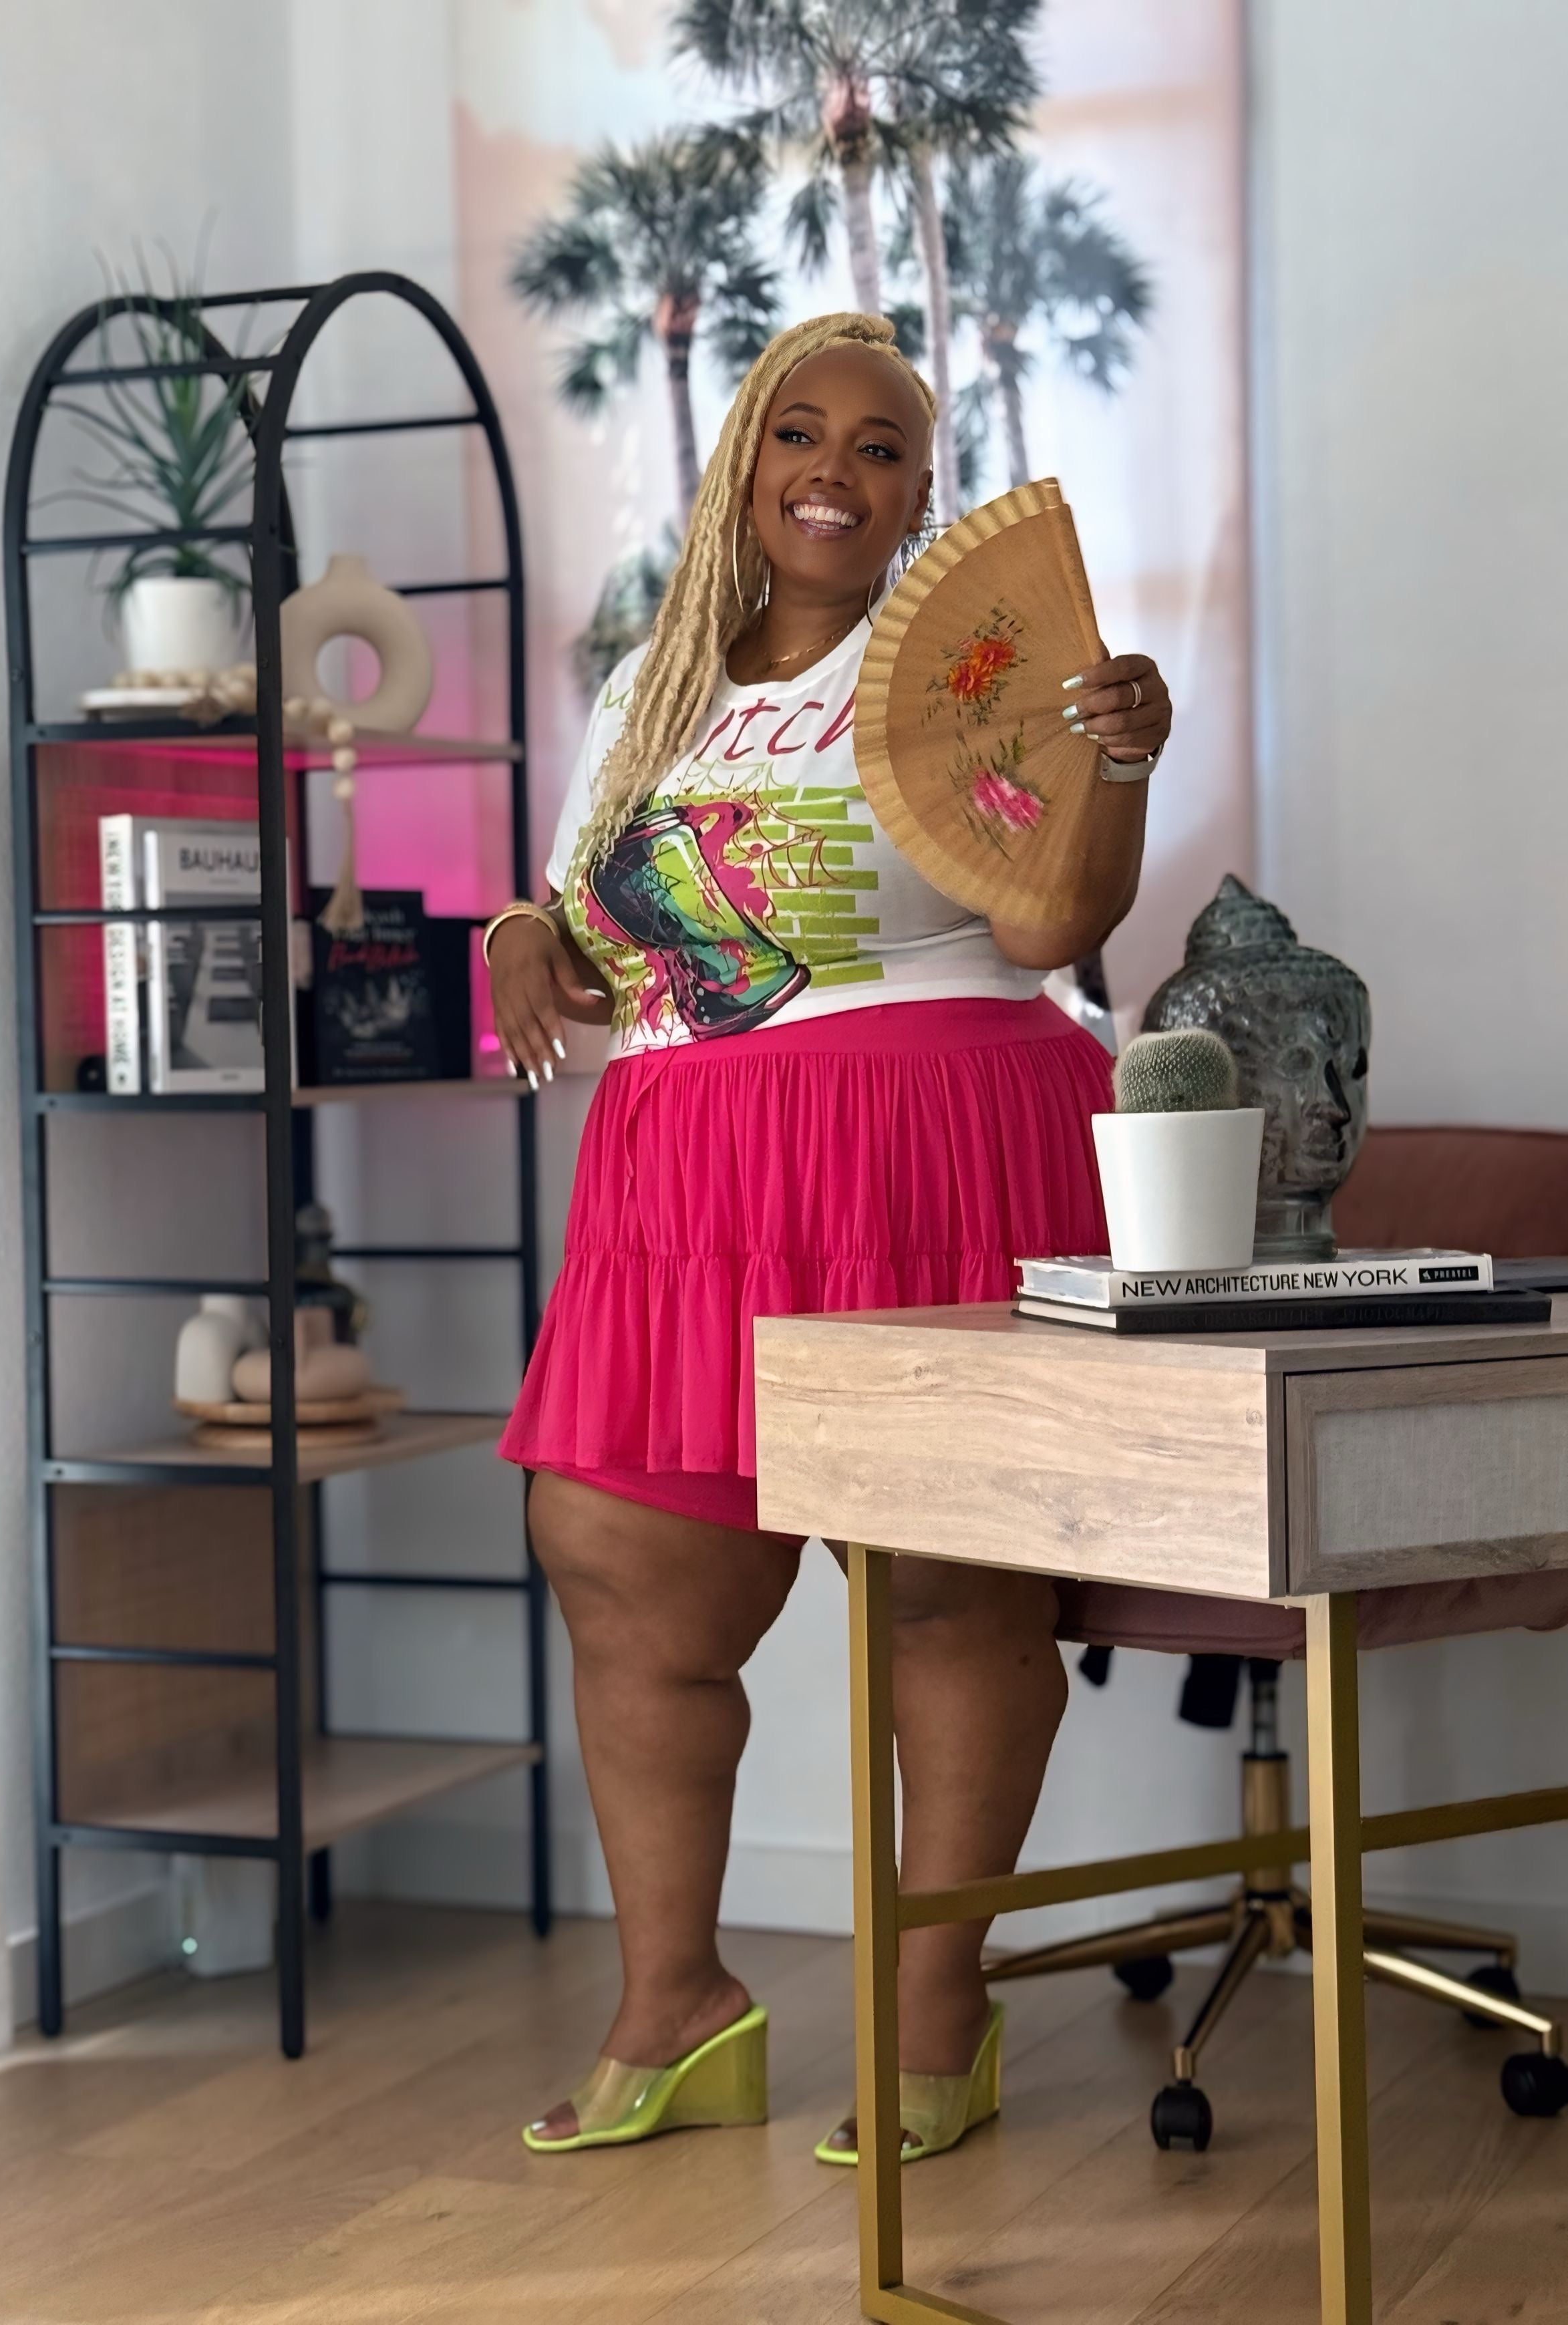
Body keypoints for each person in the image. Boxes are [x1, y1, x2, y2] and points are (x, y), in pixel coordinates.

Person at [485, 311, 1172, 2163]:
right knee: (619, 1556)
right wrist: (518, 932)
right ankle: (676, 2002)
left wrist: (1118, 763)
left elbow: (1050, 934)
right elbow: (589, 910)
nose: (834, 472)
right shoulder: (655, 682)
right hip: (685, 1174)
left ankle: (937, 2017)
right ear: (745, 462)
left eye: (881, 448)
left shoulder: (968, 669)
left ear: (921, 493)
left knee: (944, 1589)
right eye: (802, 433)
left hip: (930, 1146)